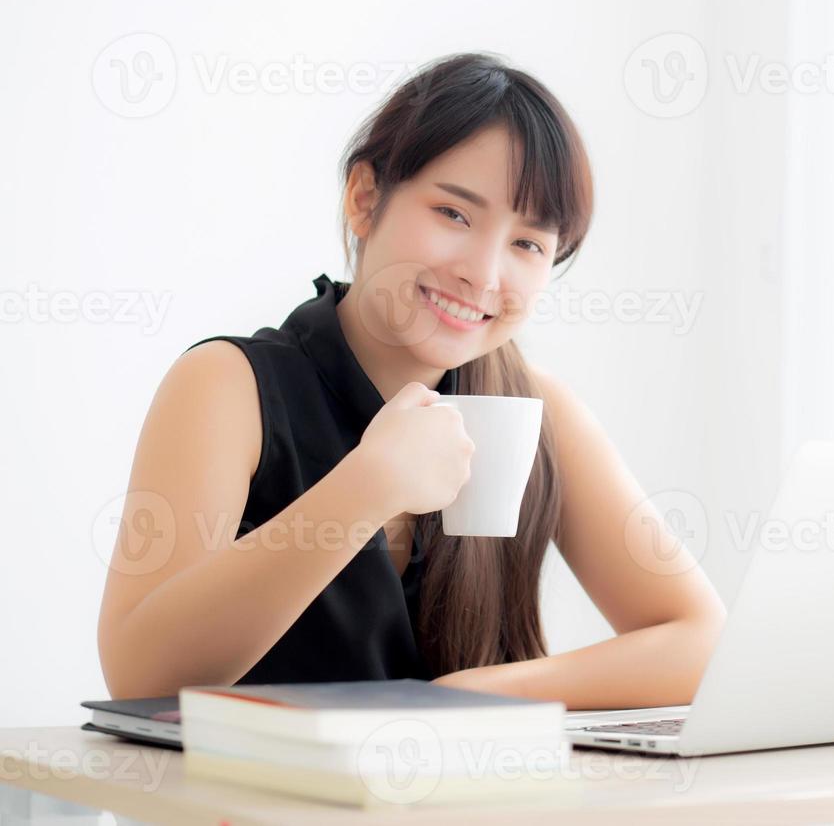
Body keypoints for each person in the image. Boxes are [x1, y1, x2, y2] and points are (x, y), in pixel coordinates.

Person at [96, 52, 726, 709]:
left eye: (528, 245)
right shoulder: (229, 387)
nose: (482, 275)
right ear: (365, 198)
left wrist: (468, 696)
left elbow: (700, 639)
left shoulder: (533, 409)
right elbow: (141, 675)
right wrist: (367, 487)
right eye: (455, 214)